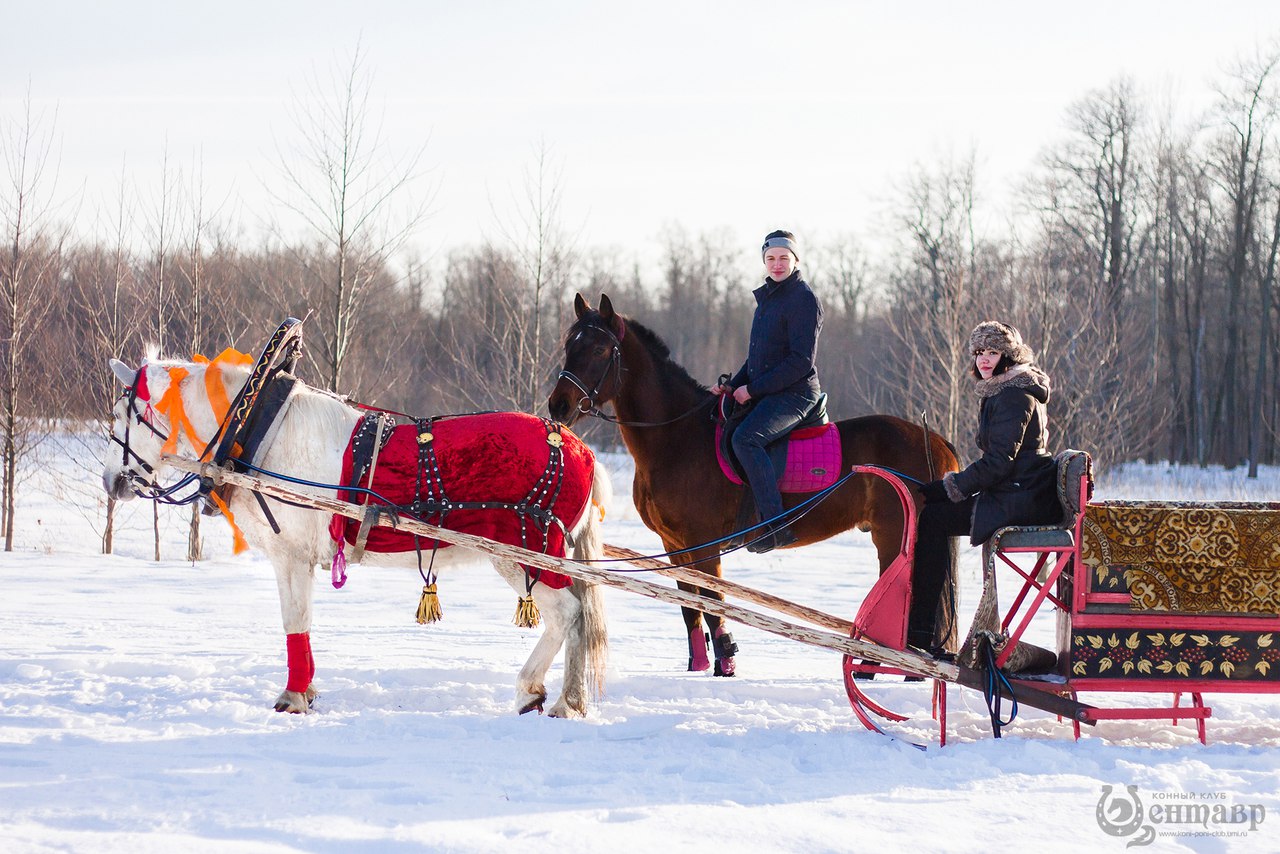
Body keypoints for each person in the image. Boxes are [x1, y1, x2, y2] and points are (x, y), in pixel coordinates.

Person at [909, 320, 1060, 652]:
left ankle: (919, 635)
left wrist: (953, 486)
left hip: (1021, 495)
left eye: (993, 352)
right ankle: (924, 634)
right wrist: (954, 487)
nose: (985, 360)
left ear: (1008, 355)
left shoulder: (1013, 395)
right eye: (979, 353)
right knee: (936, 514)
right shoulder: (1004, 390)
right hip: (1018, 489)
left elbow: (999, 462)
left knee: (933, 519)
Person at [711, 230, 824, 554]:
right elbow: (758, 357)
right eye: (771, 258)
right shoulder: (768, 300)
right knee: (725, 430)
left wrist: (754, 389)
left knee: (745, 438)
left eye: (783, 258)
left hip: (797, 395)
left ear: (795, 260)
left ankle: (776, 526)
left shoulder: (803, 299)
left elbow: (800, 362)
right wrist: (734, 386)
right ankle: (740, 522)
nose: (777, 264)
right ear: (764, 260)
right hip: (769, 391)